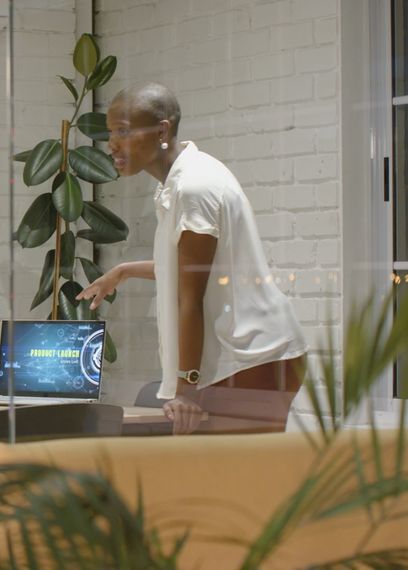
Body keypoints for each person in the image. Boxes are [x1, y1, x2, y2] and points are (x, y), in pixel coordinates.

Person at [77, 83, 308, 435]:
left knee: (222, 478)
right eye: (111, 132)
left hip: (252, 358)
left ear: (162, 131)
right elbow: (192, 271)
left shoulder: (193, 188)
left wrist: (186, 390)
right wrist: (124, 271)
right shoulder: (178, 183)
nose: (112, 144)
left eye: (124, 131)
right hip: (250, 357)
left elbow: (191, 297)